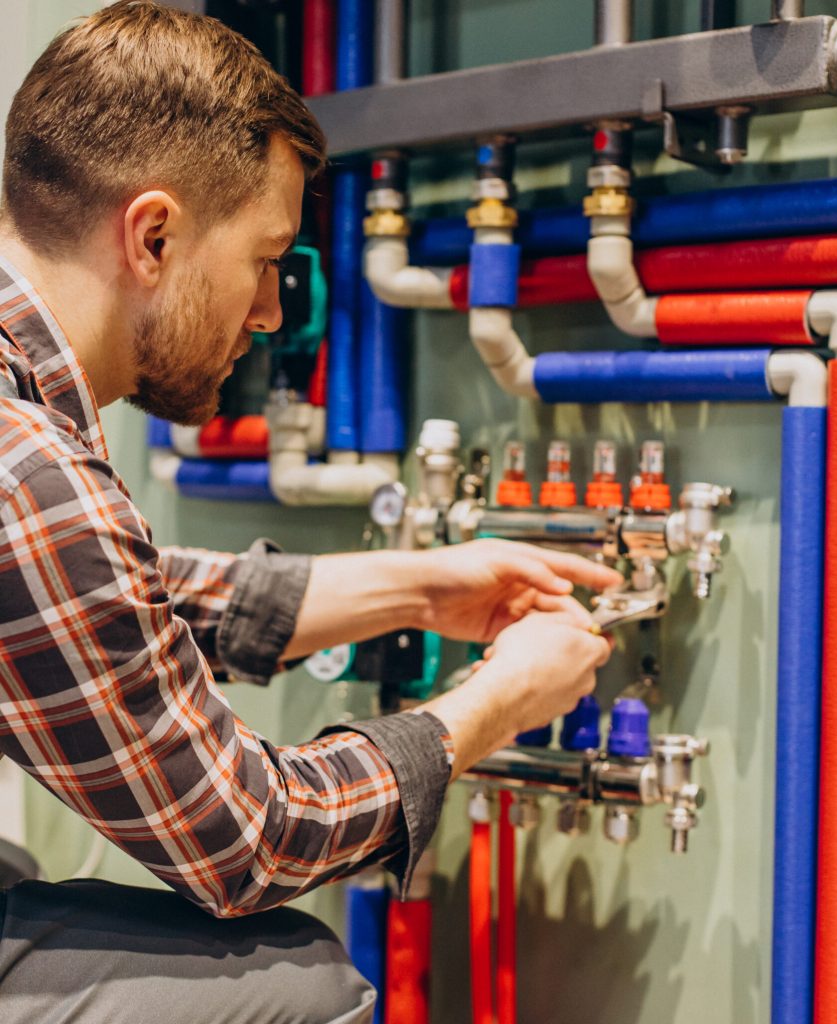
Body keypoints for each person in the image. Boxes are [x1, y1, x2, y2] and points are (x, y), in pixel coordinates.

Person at [0, 4, 617, 1022]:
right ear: (151, 235)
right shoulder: (29, 470)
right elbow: (249, 840)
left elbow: (106, 609)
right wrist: (495, 701)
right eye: (264, 258)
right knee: (299, 984)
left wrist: (421, 584)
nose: (273, 311)